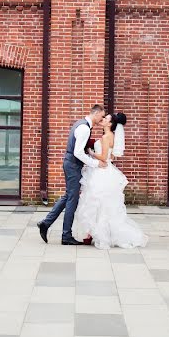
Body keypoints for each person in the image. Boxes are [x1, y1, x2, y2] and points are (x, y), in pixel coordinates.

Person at [71, 113, 148, 250]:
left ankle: (95, 235)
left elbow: (104, 158)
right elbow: (112, 155)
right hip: (106, 172)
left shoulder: (106, 137)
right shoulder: (111, 137)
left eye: (106, 119)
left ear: (110, 124)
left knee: (96, 203)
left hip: (101, 172)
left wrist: (91, 152)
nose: (103, 119)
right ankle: (92, 234)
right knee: (100, 204)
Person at [37, 105, 106, 245]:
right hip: (73, 165)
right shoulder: (84, 128)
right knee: (72, 201)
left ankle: (46, 223)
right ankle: (66, 236)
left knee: (68, 196)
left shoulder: (80, 124)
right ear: (96, 113)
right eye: (102, 116)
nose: (102, 119)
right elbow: (78, 152)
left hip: (71, 164)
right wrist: (95, 163)